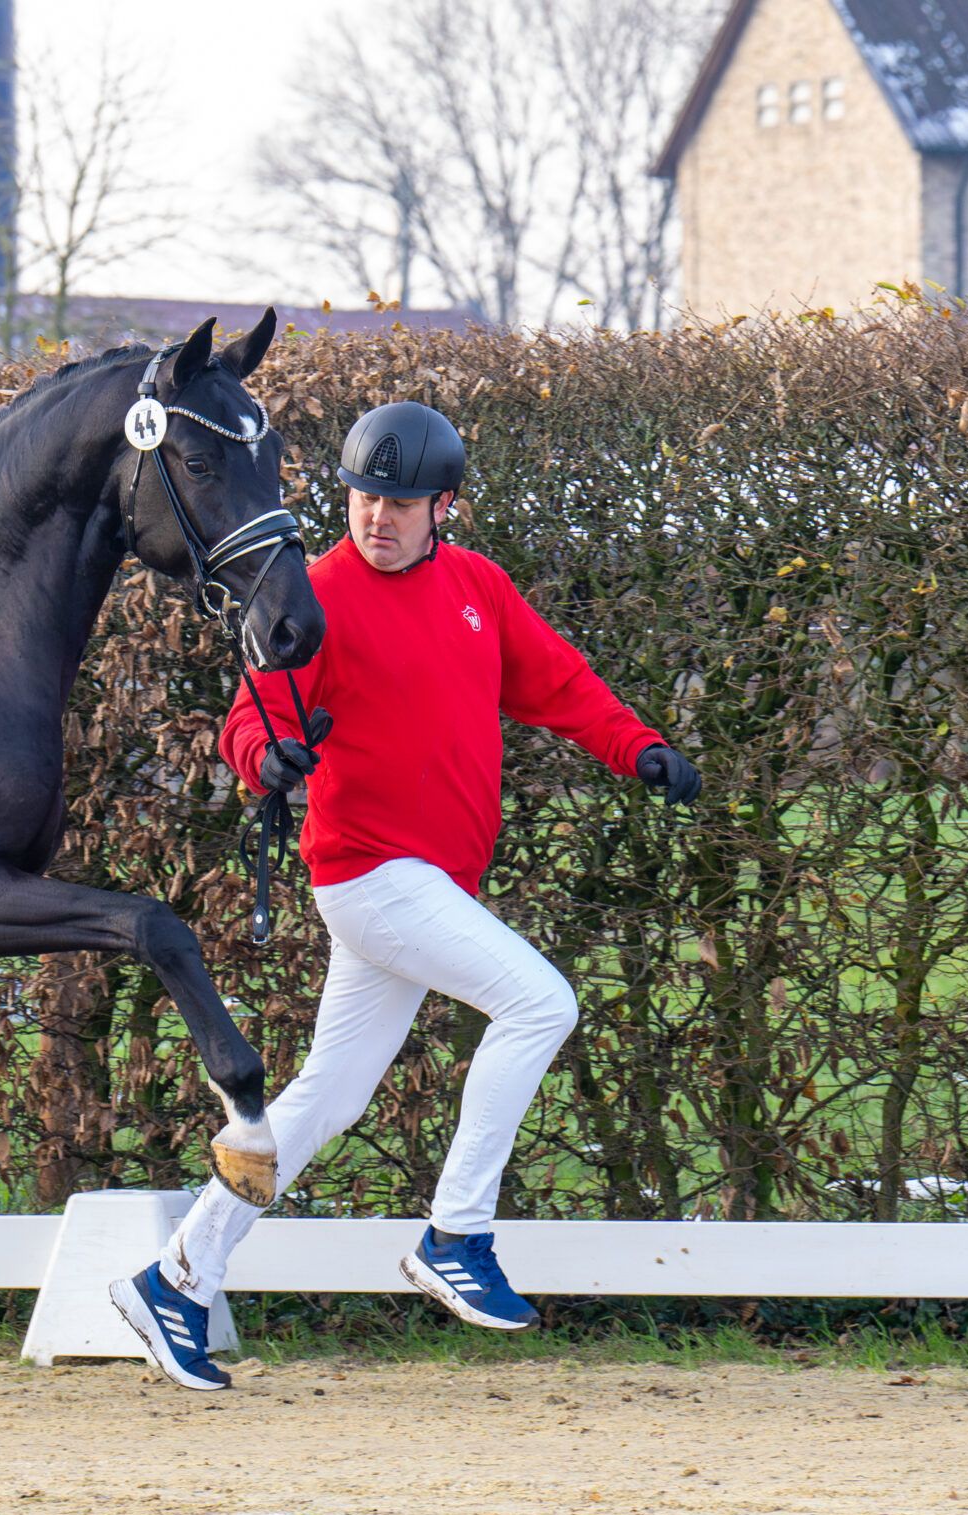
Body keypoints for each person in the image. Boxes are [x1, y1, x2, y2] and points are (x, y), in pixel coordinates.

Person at [109, 400, 701, 1391]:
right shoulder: (315, 596)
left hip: (423, 884)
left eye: (397, 501)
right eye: (361, 495)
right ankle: (456, 1235)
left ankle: (177, 1277)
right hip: (371, 873)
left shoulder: (478, 587)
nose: (374, 516)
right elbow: (245, 723)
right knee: (539, 1002)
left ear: (445, 508)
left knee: (323, 1103)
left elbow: (557, 683)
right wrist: (269, 758)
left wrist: (635, 746)